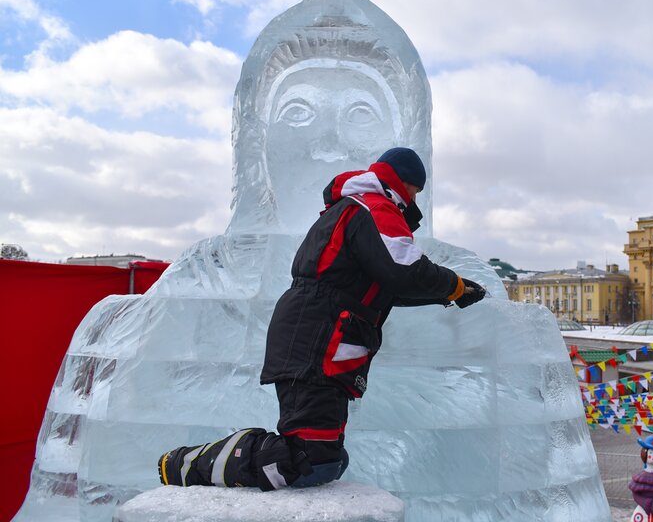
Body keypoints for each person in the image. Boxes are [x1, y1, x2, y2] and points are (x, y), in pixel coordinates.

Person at [158, 147, 486, 490]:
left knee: (327, 459)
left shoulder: (358, 209)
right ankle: (187, 464)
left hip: (324, 340)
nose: (416, 198)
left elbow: (388, 287)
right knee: (310, 461)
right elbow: (403, 268)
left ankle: (214, 464)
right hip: (316, 340)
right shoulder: (374, 206)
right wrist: (456, 285)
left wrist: (448, 295)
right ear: (406, 183)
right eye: (417, 190)